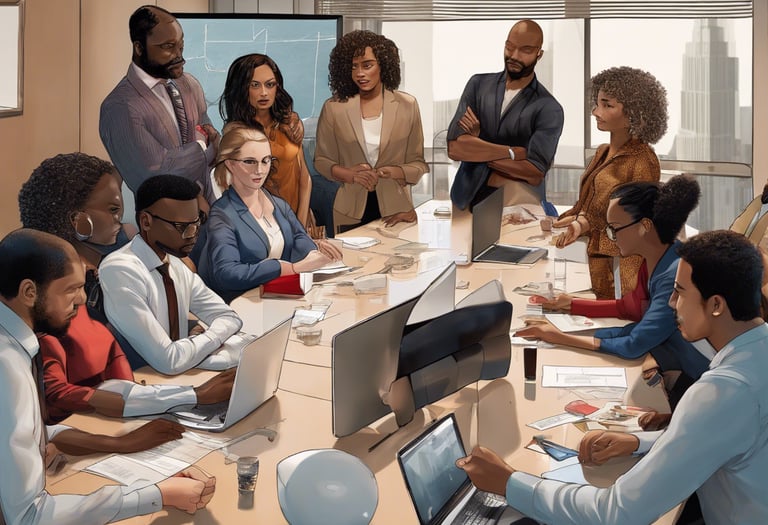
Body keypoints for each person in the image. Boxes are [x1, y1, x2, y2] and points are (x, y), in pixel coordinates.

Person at [457, 230, 768, 524]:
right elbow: (724, 432)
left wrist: (510, 483)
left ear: (716, 305)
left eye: (679, 292)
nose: (672, 303)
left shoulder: (724, 392)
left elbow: (617, 514)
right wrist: (637, 442)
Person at [0, 228, 217, 524]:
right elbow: (29, 517)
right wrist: (156, 494)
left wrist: (116, 444)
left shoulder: (15, 342)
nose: (80, 300)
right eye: (70, 289)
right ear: (29, 292)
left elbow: (27, 431)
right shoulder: (8, 365)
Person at [18, 153, 235, 423]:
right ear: (78, 221)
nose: (121, 220)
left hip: (135, 400)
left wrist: (190, 329)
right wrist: (190, 396)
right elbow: (63, 392)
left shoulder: (105, 268)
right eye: (112, 210)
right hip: (87, 420)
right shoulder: (57, 297)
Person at [517, 175, 710, 410]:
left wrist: (560, 338)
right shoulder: (657, 260)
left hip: (701, 386)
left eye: (615, 228)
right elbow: (631, 316)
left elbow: (634, 344)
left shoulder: (673, 275)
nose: (611, 236)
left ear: (645, 226)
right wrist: (569, 312)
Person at [99, 175, 244, 374]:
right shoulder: (120, 270)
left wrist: (195, 344)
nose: (193, 234)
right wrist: (209, 339)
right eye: (182, 227)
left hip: (181, 376)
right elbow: (169, 361)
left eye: (197, 222)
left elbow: (230, 317)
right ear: (146, 221)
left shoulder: (175, 266)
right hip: (145, 383)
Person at [553, 66, 668, 299]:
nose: (596, 111)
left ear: (634, 113)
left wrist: (584, 225)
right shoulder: (602, 152)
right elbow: (589, 203)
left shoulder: (643, 161)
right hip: (593, 256)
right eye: (596, 104)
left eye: (607, 105)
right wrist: (571, 219)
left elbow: (636, 228)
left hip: (621, 266)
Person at [194, 124, 342, 303]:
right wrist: (288, 268)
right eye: (249, 161)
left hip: (280, 297)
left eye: (265, 160)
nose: (260, 170)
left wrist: (312, 253)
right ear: (230, 164)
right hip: (241, 304)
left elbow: (300, 238)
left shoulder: (278, 205)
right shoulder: (222, 214)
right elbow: (227, 273)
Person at [99, 5, 220, 207]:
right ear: (139, 48)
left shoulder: (189, 85)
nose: (179, 55)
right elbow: (153, 176)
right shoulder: (119, 106)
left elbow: (209, 137)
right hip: (166, 225)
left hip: (209, 215)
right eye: (168, 47)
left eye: (180, 46)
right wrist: (202, 149)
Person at [314, 30, 428, 232]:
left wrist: (397, 171)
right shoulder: (334, 108)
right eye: (353, 67)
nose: (360, 73)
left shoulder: (407, 105)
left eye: (367, 65)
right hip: (350, 210)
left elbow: (418, 163)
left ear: (383, 65)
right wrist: (350, 175)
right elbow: (322, 162)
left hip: (397, 211)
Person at [447, 19, 564, 210]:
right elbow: (455, 148)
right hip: (465, 199)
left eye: (525, 50)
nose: (514, 56)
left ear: (539, 54)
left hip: (519, 205)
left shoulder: (549, 107)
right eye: (510, 47)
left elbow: (534, 172)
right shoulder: (478, 85)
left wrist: (477, 147)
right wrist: (513, 153)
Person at [219, 53, 314, 228]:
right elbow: (234, 188)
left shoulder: (289, 123)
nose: (264, 93)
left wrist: (300, 225)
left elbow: (305, 178)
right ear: (241, 88)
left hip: (300, 217)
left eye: (270, 85)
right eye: (255, 85)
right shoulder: (236, 133)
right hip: (263, 224)